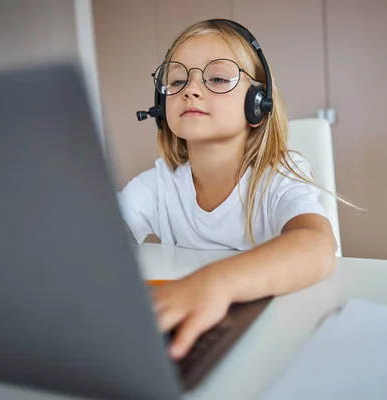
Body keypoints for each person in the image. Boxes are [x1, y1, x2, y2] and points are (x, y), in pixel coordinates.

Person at [117, 19, 337, 361]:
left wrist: (214, 282)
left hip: (275, 337)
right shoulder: (157, 184)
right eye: (176, 81)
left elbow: (318, 245)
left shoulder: (278, 176)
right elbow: (97, 246)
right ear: (161, 108)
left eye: (217, 78)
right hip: (198, 330)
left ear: (257, 103)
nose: (190, 89)